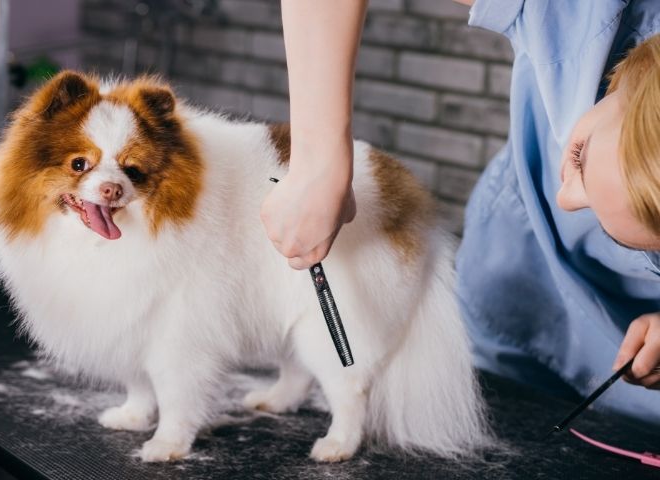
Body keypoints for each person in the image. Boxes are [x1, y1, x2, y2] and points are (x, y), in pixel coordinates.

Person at [262, 0, 660, 423]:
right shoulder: (584, 11)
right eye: (579, 156)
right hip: (512, 290)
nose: (565, 200)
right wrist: (318, 157)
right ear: (637, 76)